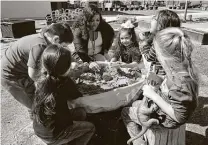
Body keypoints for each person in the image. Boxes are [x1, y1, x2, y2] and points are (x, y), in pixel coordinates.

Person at [122, 28, 198, 145]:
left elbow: (180, 117)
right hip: (165, 112)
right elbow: (165, 81)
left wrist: (154, 96)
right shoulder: (181, 67)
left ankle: (139, 143)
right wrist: (156, 84)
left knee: (126, 112)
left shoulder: (180, 83)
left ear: (164, 56)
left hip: (167, 121)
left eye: (156, 52)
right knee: (135, 104)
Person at [32, 44, 95, 145]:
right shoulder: (64, 83)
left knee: (81, 112)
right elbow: (77, 95)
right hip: (54, 134)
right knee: (90, 128)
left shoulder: (41, 80)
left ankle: (67, 139)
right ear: (66, 68)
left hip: (41, 129)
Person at [1, 22, 73, 110]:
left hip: (22, 68)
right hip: (11, 74)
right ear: (56, 39)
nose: (63, 48)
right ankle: (38, 120)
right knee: (35, 105)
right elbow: (33, 75)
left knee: (41, 97)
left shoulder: (46, 38)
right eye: (63, 46)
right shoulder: (40, 46)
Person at [72, 4, 114, 71]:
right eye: (92, 20)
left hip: (98, 54)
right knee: (83, 69)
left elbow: (111, 35)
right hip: (82, 56)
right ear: (86, 20)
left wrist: (105, 51)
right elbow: (79, 49)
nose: (95, 23)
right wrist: (90, 62)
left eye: (97, 20)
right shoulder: (78, 30)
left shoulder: (105, 27)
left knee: (107, 66)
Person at [139, 9, 181, 75]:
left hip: (160, 76)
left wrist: (145, 44)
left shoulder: (158, 42)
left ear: (161, 26)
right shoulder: (172, 40)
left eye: (155, 18)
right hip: (171, 74)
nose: (152, 19)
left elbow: (149, 58)